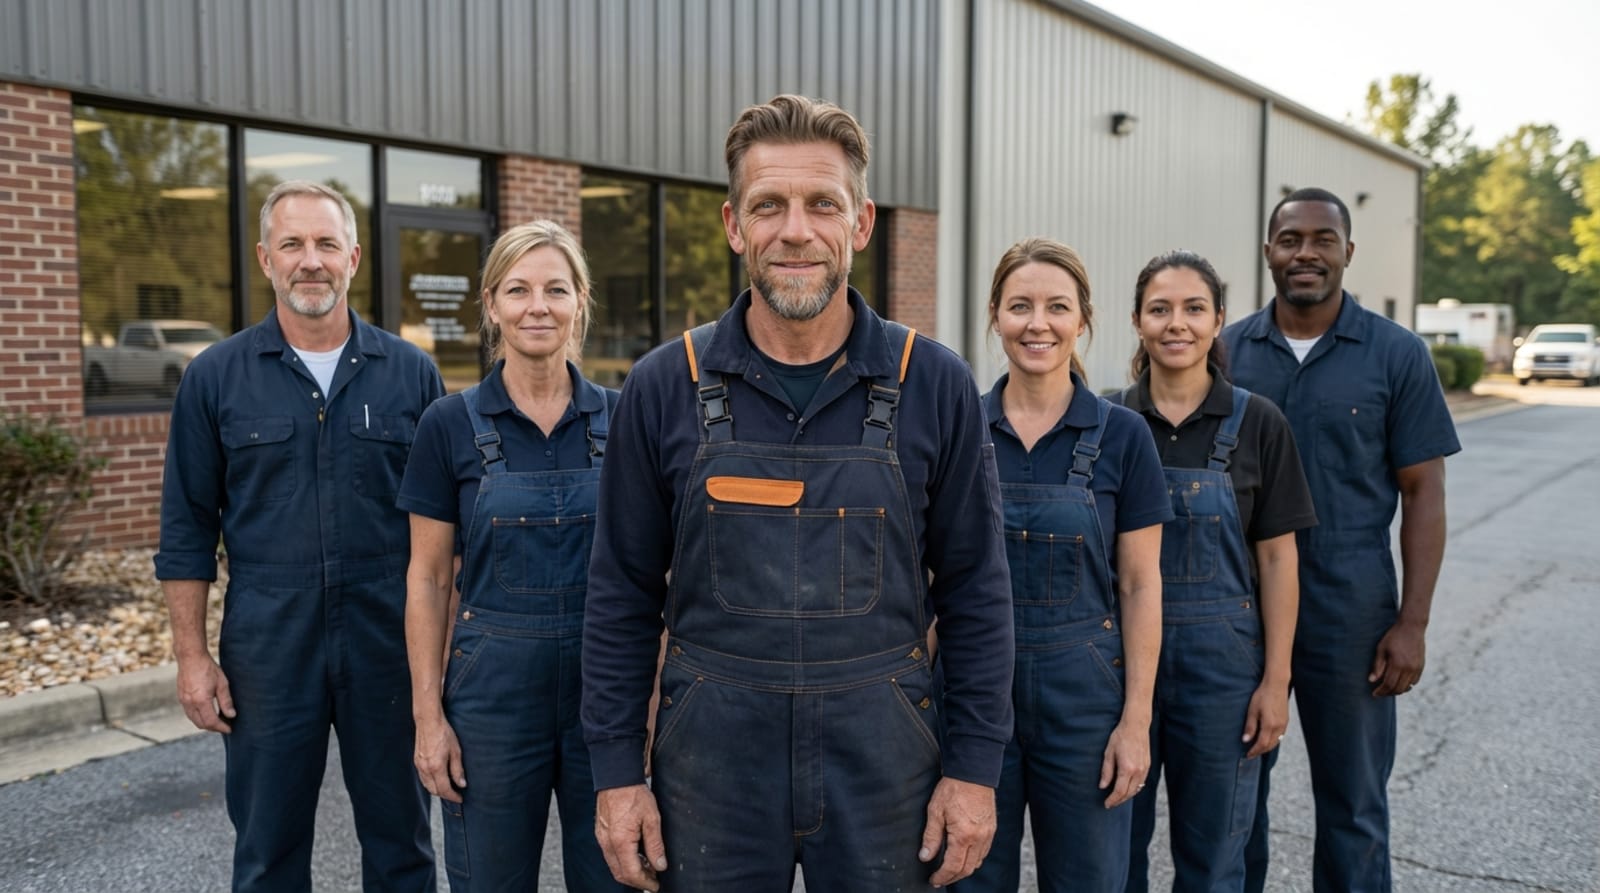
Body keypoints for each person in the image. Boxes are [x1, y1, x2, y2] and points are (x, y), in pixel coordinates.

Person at [580, 94, 1015, 892]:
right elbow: (619, 594)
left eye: (822, 203)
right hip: (710, 761)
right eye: (767, 205)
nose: (795, 230)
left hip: (884, 758)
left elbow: (977, 591)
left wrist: (974, 769)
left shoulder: (933, 382)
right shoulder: (664, 384)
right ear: (733, 225)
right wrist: (616, 773)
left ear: (861, 222)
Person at [156, 180, 442, 891]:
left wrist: (444, 655)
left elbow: (446, 531)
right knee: (267, 847)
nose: (310, 261)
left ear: (353, 257)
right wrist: (192, 657)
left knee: (402, 842)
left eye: (325, 244)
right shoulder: (215, 377)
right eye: (292, 244)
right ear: (265, 259)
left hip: (387, 640)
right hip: (269, 644)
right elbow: (186, 529)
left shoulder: (411, 373)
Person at [1224, 188, 1459, 893]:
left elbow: (1423, 492)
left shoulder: (1397, 354)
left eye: (1323, 239)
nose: (1306, 253)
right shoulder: (1226, 353)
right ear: (1268, 251)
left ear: (1348, 252)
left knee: (1354, 804)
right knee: (1234, 805)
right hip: (1239, 606)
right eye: (1291, 239)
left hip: (1352, 608)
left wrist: (1412, 623)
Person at [399, 220, 626, 892]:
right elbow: (427, 578)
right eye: (519, 289)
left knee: (615, 876)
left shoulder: (624, 417)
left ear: (580, 301)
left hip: (605, 697)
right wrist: (428, 719)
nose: (538, 306)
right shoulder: (448, 423)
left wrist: (650, 709)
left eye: (556, 289)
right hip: (490, 700)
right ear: (492, 304)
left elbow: (655, 575)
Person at [955, 237, 1169, 893]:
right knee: (967, 876)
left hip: (1085, 706)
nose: (1037, 323)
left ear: (1082, 320)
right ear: (995, 315)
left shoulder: (1123, 435)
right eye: (1020, 305)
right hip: (974, 700)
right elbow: (934, 578)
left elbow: (1141, 585)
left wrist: (1136, 722)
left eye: (1057, 306)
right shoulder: (959, 427)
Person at [1109, 251, 1316, 893]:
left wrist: (1276, 680)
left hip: (1223, 675)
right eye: (1160, 309)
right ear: (1137, 321)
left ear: (1219, 319)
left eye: (1194, 308)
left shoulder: (1259, 423)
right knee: (1112, 857)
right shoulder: (1107, 422)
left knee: (1215, 862)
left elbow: (1278, 559)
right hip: (1116, 670)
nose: (1177, 323)